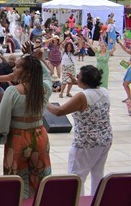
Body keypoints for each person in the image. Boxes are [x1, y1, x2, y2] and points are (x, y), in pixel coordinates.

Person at [0, 42, 52, 199]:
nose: (13, 69)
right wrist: (32, 57)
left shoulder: (13, 91)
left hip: (18, 138)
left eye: (17, 67)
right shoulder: (44, 88)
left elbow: (2, 120)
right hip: (39, 136)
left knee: (16, 178)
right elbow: (46, 74)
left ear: (27, 72)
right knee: (40, 176)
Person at [46, 65, 112, 195]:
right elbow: (91, 91)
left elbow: (59, 111)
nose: (76, 78)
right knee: (98, 175)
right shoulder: (104, 92)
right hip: (105, 140)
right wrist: (76, 82)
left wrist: (43, 101)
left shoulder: (82, 97)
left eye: (78, 76)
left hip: (86, 143)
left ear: (85, 80)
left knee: (76, 178)